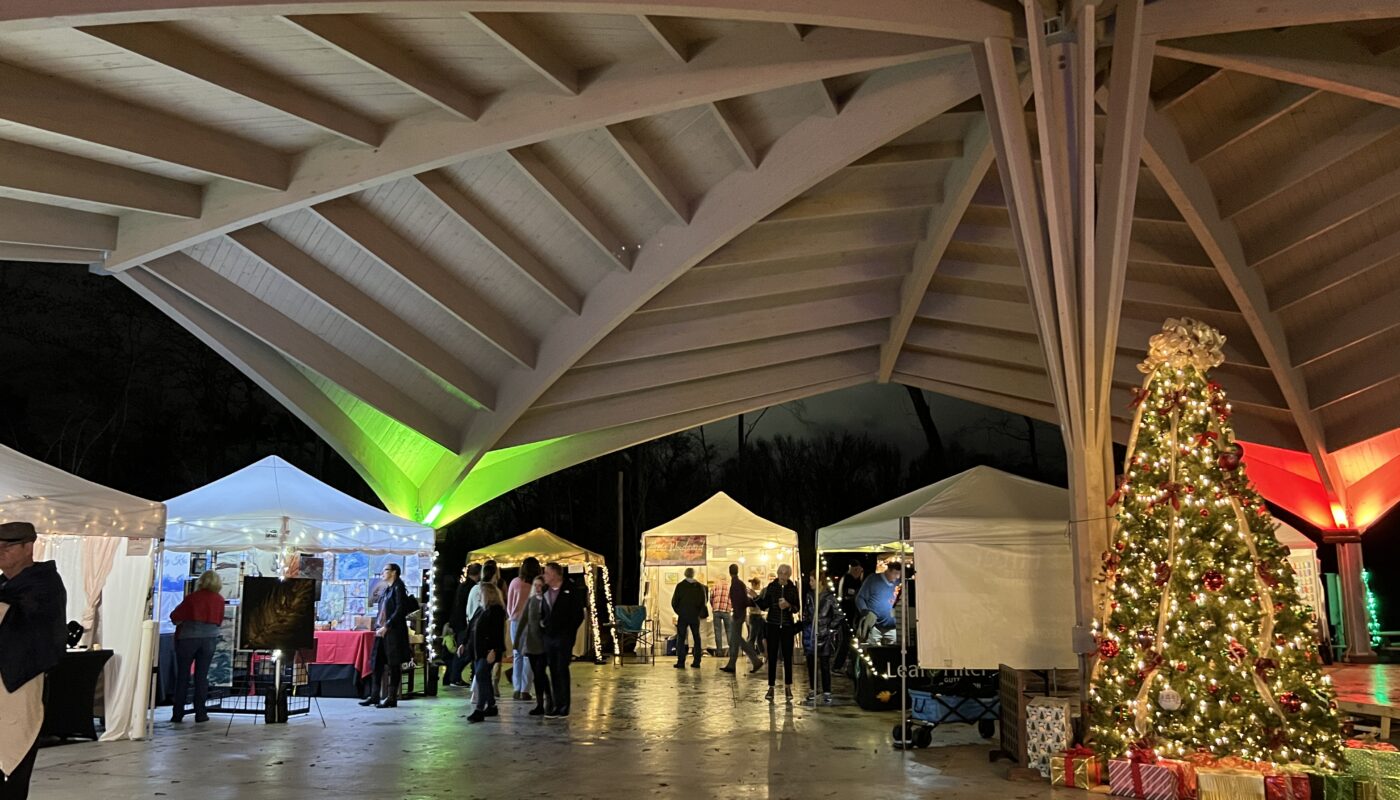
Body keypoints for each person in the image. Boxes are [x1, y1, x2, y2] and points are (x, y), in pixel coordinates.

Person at [0, 521, 66, 800]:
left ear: (29, 546)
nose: (0, 553)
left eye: (7, 547)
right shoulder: (5, 586)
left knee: (11, 765)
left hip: (21, 684)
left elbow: (37, 635)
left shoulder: (44, 585)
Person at [168, 570, 227, 723]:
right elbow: (219, 620)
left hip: (188, 638)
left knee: (183, 676)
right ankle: (201, 712)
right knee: (202, 676)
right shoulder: (219, 600)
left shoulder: (192, 598)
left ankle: (178, 713)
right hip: (209, 639)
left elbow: (175, 616)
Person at [361, 563, 411, 709]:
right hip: (381, 631)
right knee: (376, 662)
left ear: (394, 572)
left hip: (392, 633)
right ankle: (375, 695)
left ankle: (392, 697)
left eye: (385, 570)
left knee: (393, 664)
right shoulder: (387, 589)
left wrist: (387, 625)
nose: (382, 573)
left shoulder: (398, 587)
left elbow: (400, 609)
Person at [541, 562, 585, 718]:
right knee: (553, 669)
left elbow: (578, 614)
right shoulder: (545, 591)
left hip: (564, 637)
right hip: (549, 637)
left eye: (546, 572)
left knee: (562, 669)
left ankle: (564, 705)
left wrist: (569, 631)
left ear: (554, 574)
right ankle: (556, 704)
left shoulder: (570, 589)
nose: (544, 575)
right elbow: (543, 612)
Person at [756, 564, 801, 703]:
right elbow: (764, 605)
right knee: (772, 656)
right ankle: (771, 687)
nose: (782, 576)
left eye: (785, 573)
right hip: (773, 625)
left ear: (789, 575)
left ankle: (788, 686)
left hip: (787, 626)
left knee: (788, 656)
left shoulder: (793, 589)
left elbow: (797, 608)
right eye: (781, 573)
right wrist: (755, 598)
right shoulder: (772, 587)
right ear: (777, 573)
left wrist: (788, 605)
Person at [467, 582, 507, 723]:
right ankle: (491, 705)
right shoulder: (480, 609)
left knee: (481, 674)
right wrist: (464, 643)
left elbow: (497, 633)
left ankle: (479, 709)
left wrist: (494, 650)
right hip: (478, 650)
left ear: (489, 595)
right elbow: (471, 627)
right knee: (483, 676)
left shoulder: (496, 611)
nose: (478, 596)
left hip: (488, 651)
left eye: (481, 593)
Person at [803, 572, 839, 704]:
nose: (810, 583)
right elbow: (806, 613)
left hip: (824, 635)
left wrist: (830, 628)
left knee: (824, 664)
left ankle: (827, 691)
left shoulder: (829, 597)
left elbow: (838, 615)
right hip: (811, 633)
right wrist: (806, 624)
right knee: (811, 663)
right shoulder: (810, 596)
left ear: (820, 582)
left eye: (812, 580)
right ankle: (813, 689)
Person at [506, 557, 540, 701]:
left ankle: (516, 688)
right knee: (529, 656)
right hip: (532, 622)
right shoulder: (538, 584)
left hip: (516, 621)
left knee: (517, 655)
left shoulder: (515, 582)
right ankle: (525, 690)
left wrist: (512, 615)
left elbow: (509, 604)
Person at [720, 563, 762, 674]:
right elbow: (744, 600)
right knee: (735, 639)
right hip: (740, 613)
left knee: (738, 639)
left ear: (730, 572)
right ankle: (732, 664)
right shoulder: (739, 584)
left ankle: (755, 660)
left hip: (738, 614)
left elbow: (740, 601)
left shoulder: (736, 584)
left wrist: (737, 613)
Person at [521, 575, 551, 716]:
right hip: (531, 643)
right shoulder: (531, 601)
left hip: (544, 644)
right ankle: (540, 704)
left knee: (540, 673)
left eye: (541, 585)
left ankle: (549, 700)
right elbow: (523, 620)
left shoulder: (548, 602)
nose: (538, 588)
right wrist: (517, 643)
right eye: (536, 585)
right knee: (537, 674)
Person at [446, 563, 480, 687]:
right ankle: (454, 677)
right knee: (464, 651)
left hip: (457, 622)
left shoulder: (463, 585)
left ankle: (453, 677)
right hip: (464, 623)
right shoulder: (473, 588)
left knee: (462, 649)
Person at [855, 561, 902, 646]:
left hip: (892, 626)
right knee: (872, 651)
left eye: (899, 574)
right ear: (888, 571)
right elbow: (860, 598)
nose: (897, 576)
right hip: (874, 626)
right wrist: (865, 612)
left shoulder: (898, 583)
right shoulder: (873, 579)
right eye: (895, 573)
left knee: (893, 653)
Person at [670, 567, 708, 669]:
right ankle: (697, 662)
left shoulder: (680, 586)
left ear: (685, 574)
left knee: (681, 638)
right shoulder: (700, 587)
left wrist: (680, 612)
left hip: (683, 616)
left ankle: (681, 662)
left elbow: (674, 602)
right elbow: (704, 602)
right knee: (696, 637)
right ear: (693, 574)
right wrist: (698, 613)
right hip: (695, 616)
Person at [833, 561, 864, 673]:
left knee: (849, 641)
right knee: (846, 640)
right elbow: (846, 595)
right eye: (857, 570)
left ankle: (847, 665)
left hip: (853, 614)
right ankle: (838, 665)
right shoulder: (848, 579)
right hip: (846, 614)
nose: (859, 572)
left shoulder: (856, 580)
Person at [708, 579, 731, 659]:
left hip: (716, 610)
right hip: (726, 610)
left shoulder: (714, 587)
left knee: (717, 631)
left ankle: (719, 651)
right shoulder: (729, 587)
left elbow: (711, 599)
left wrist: (714, 606)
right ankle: (731, 651)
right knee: (729, 631)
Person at [746, 576, 766, 655]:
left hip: (755, 616)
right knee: (754, 637)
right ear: (757, 584)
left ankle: (762, 652)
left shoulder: (752, 593)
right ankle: (750, 653)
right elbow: (757, 605)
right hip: (755, 616)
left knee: (758, 636)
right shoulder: (755, 593)